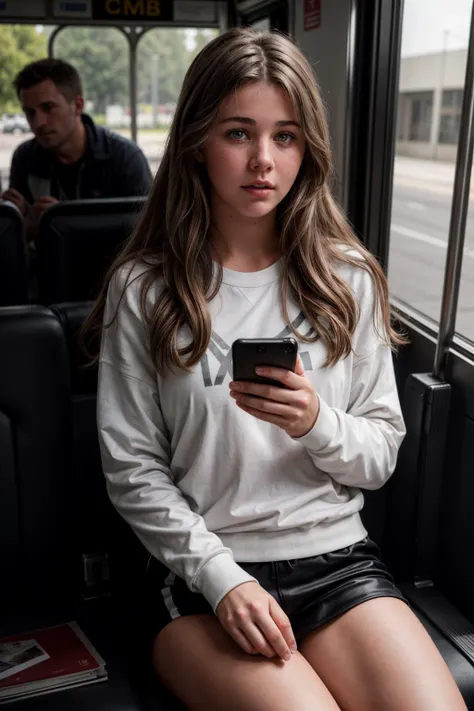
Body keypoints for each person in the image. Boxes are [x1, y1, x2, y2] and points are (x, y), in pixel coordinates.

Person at [87, 28, 467, 711]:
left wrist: (317, 421)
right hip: (201, 575)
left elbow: (378, 458)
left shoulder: (346, 279)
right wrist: (223, 578)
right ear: (199, 141)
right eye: (239, 133)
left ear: (307, 147)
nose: (263, 160)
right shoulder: (144, 289)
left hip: (338, 560)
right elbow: (132, 469)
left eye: (286, 136)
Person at [1, 58, 151, 242]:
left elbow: (148, 236)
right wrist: (23, 223)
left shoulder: (125, 158)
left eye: (48, 108)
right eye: (30, 112)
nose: (38, 122)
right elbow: (16, 243)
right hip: (47, 268)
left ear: (78, 106)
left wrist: (62, 221)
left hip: (111, 268)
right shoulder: (25, 158)